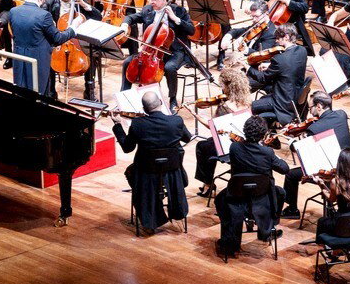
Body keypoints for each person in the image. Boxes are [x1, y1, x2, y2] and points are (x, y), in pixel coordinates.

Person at [113, 90, 192, 234]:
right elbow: (187, 138)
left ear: (144, 109)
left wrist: (118, 125)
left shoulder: (138, 124)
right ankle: (174, 210)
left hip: (146, 171)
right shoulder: (176, 121)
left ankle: (149, 213)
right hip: (172, 170)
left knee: (130, 172)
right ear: (161, 103)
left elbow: (127, 148)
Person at [215, 116, 289, 257]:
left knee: (220, 199)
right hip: (261, 197)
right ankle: (268, 228)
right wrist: (265, 149)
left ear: (245, 131)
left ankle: (230, 243)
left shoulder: (235, 147)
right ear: (263, 134)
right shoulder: (267, 152)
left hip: (237, 195)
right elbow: (285, 169)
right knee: (281, 193)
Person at [279, 91, 350, 217]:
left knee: (291, 174)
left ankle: (292, 210)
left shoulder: (315, 128)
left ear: (319, 106)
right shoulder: (341, 114)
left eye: (310, 108)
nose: (309, 111)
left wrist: (292, 142)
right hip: (348, 166)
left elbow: (303, 153)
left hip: (330, 171)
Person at [121, 0, 194, 107]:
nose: (151, 2)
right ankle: (124, 95)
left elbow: (191, 30)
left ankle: (173, 99)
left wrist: (175, 19)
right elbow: (130, 17)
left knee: (170, 68)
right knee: (127, 62)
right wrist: (124, 24)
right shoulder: (148, 10)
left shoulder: (179, 11)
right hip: (150, 51)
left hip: (174, 51)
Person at [193, 67, 254, 197]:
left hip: (229, 148)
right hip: (244, 144)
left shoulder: (226, 106)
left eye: (223, 85)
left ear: (229, 87)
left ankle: (208, 184)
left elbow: (216, 129)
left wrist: (199, 117)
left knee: (203, 147)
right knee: (208, 144)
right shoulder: (247, 102)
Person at [8, 0, 77, 95]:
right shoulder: (44, 15)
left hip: (19, 57)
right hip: (38, 58)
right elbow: (58, 38)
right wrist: (73, 28)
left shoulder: (13, 11)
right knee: (40, 92)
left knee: (20, 90)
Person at [248, 24, 307, 124]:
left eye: (278, 38)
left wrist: (248, 67)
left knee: (251, 106)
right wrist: (270, 66)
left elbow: (262, 78)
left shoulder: (279, 59)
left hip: (282, 103)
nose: (276, 41)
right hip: (295, 97)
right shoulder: (302, 50)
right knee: (263, 98)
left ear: (286, 37)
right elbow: (290, 65)